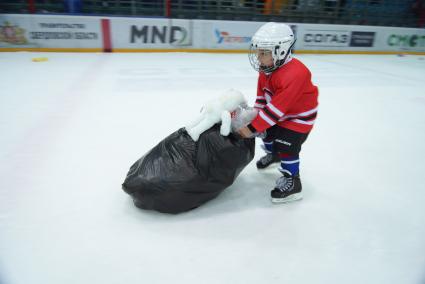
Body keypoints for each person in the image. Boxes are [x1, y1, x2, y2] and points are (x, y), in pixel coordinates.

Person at [238, 22, 318, 204]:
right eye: (258, 51)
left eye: (264, 52)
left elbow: (276, 110)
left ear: (280, 51)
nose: (258, 57)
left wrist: (251, 127)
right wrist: (254, 117)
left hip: (298, 118)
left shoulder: (295, 74)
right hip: (280, 113)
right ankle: (274, 155)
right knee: (265, 131)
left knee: (286, 146)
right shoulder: (267, 69)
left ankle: (293, 183)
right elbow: (262, 98)